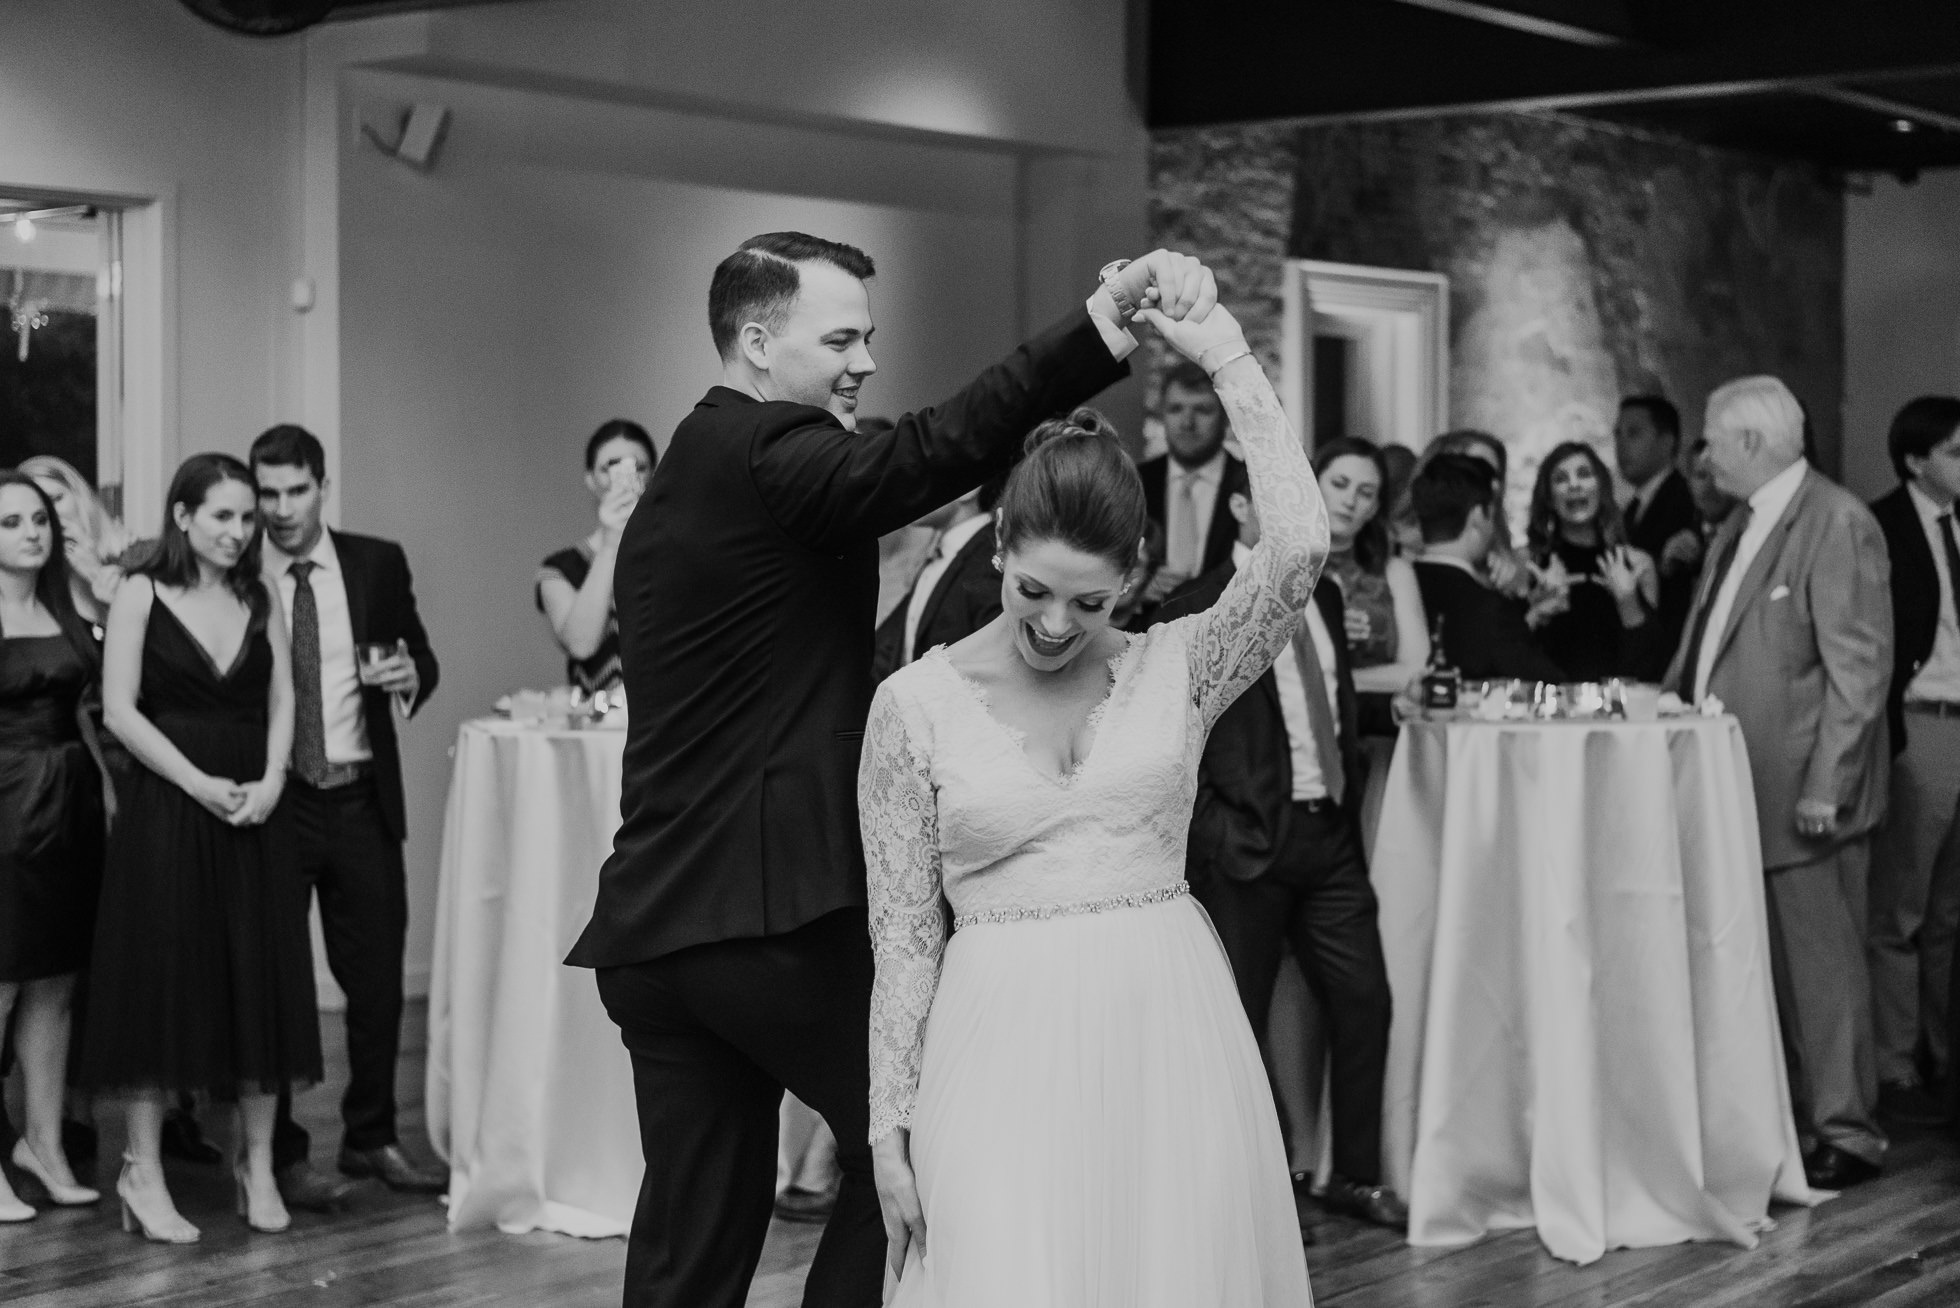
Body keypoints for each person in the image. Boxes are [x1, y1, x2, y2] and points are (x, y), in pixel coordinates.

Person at [564, 231, 1217, 1308]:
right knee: (921, 1139)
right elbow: (934, 448)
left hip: (661, 928)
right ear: (760, 342)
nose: (865, 358)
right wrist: (1099, 323)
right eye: (842, 337)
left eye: (870, 335)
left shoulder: (690, 472)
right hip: (764, 920)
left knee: (691, 1238)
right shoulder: (773, 453)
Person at [862, 300, 1319, 1304]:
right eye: (1033, 592)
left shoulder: (1184, 666)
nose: (1057, 624)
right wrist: (887, 1129)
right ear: (996, 552)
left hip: (1166, 1033)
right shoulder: (912, 707)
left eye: (1091, 602)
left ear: (1135, 578)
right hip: (993, 1049)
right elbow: (901, 938)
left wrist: (1226, 358)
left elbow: (1296, 551)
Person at [79, 452, 321, 1243]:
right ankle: (141, 1173)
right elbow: (118, 710)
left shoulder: (260, 593)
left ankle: (256, 1163)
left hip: (255, 805)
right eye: (223, 515)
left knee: (260, 977)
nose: (240, 531)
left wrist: (274, 778)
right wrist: (195, 781)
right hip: (171, 807)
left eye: (247, 517)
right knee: (162, 979)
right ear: (182, 517)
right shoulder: (141, 592)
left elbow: (285, 693)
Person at [1157, 465, 1403, 1234]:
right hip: (1243, 843)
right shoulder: (1191, 609)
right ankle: (1253, 1191)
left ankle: (1356, 1176)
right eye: (1280, 499)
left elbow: (1328, 703)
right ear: (1239, 506)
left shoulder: (1321, 592)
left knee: (1365, 1000)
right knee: (1235, 1023)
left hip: (1328, 836)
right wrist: (1214, 831)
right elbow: (1170, 743)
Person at [1665, 376, 1893, 1190]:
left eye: (1713, 442)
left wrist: (1826, 785)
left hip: (1803, 798)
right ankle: (1793, 1121)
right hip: (1736, 789)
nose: (1704, 456)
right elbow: (1710, 641)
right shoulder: (1739, 523)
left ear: (1752, 444)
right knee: (1768, 973)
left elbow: (1858, 674)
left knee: (1822, 972)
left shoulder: (1836, 522)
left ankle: (1848, 1131)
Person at [250, 424, 444, 1208]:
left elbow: (421, 657)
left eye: (296, 491)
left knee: (375, 980)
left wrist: (408, 675)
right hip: (276, 801)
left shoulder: (375, 561)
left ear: (322, 487)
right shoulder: (238, 570)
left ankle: (371, 1137)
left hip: (362, 794)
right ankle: (283, 1151)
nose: (281, 508)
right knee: (277, 981)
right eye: (268, 493)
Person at [0, 473, 108, 1220]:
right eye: (10, 521)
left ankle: (45, 1142)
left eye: (39, 518)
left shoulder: (67, 609)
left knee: (56, 984)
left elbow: (94, 712)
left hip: (70, 806)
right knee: (0, 982)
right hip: (4, 808)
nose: (31, 532)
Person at [1868, 395, 1960, 1127]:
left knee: (1951, 913)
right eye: (1956, 453)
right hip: (1921, 722)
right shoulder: (1881, 525)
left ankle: (1941, 1057)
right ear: (1915, 461)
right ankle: (1894, 1069)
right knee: (1900, 907)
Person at [1409, 453, 1565, 684]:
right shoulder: (1488, 608)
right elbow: (1549, 685)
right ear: (1478, 516)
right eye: (1492, 512)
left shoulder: (1399, 585)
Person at [1522, 441, 1660, 681]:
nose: (1574, 485)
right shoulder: (1529, 564)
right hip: (1548, 710)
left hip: (1617, 709)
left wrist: (1628, 602)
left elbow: (1651, 665)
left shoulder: (1637, 563)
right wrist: (1536, 612)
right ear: (1549, 498)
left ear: (1602, 488)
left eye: (1584, 475)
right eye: (1561, 479)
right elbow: (1509, 656)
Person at [537, 420, 655, 694]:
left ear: (654, 477)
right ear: (591, 480)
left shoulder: (680, 553)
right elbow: (581, 644)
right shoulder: (559, 570)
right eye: (609, 467)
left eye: (638, 467)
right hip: (595, 728)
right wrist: (612, 540)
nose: (623, 477)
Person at [1313, 438, 1429, 706]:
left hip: (1377, 725)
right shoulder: (1282, 568)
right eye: (1339, 484)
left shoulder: (1394, 571)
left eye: (1365, 493)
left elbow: (1415, 670)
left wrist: (1340, 679)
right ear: (1313, 485)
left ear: (1375, 508)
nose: (1350, 500)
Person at [1134, 361, 1247, 616]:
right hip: (1145, 630)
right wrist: (1136, 587)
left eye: (1202, 410)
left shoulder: (1249, 485)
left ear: (1225, 417)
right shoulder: (1133, 482)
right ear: (1162, 414)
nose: (1187, 422)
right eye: (1175, 409)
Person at [870, 477, 1003, 684]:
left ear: (969, 490)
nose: (908, 489)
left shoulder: (991, 560)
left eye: (926, 473)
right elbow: (888, 652)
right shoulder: (939, 554)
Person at [1615, 396, 1702, 675]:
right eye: (1618, 434)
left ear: (1667, 441)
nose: (1621, 444)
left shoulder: (1687, 501)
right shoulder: (1629, 510)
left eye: (1634, 433)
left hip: (1668, 656)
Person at [20, 455, 126, 628]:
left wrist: (95, 574)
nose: (52, 514)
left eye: (56, 499)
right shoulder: (30, 583)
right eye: (40, 508)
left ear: (79, 495)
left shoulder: (133, 557)